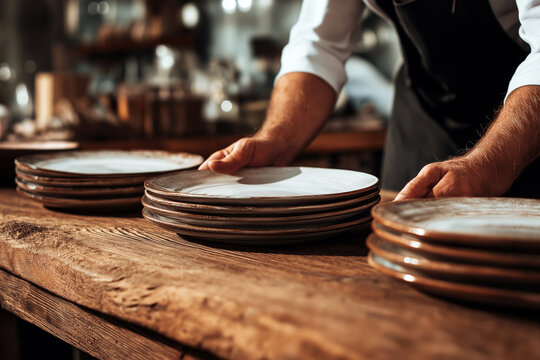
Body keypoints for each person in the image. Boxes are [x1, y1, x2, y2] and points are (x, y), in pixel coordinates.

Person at [200, 0, 540, 200]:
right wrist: (275, 140)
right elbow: (319, 46)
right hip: (423, 114)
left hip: (523, 128)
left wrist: (488, 165)